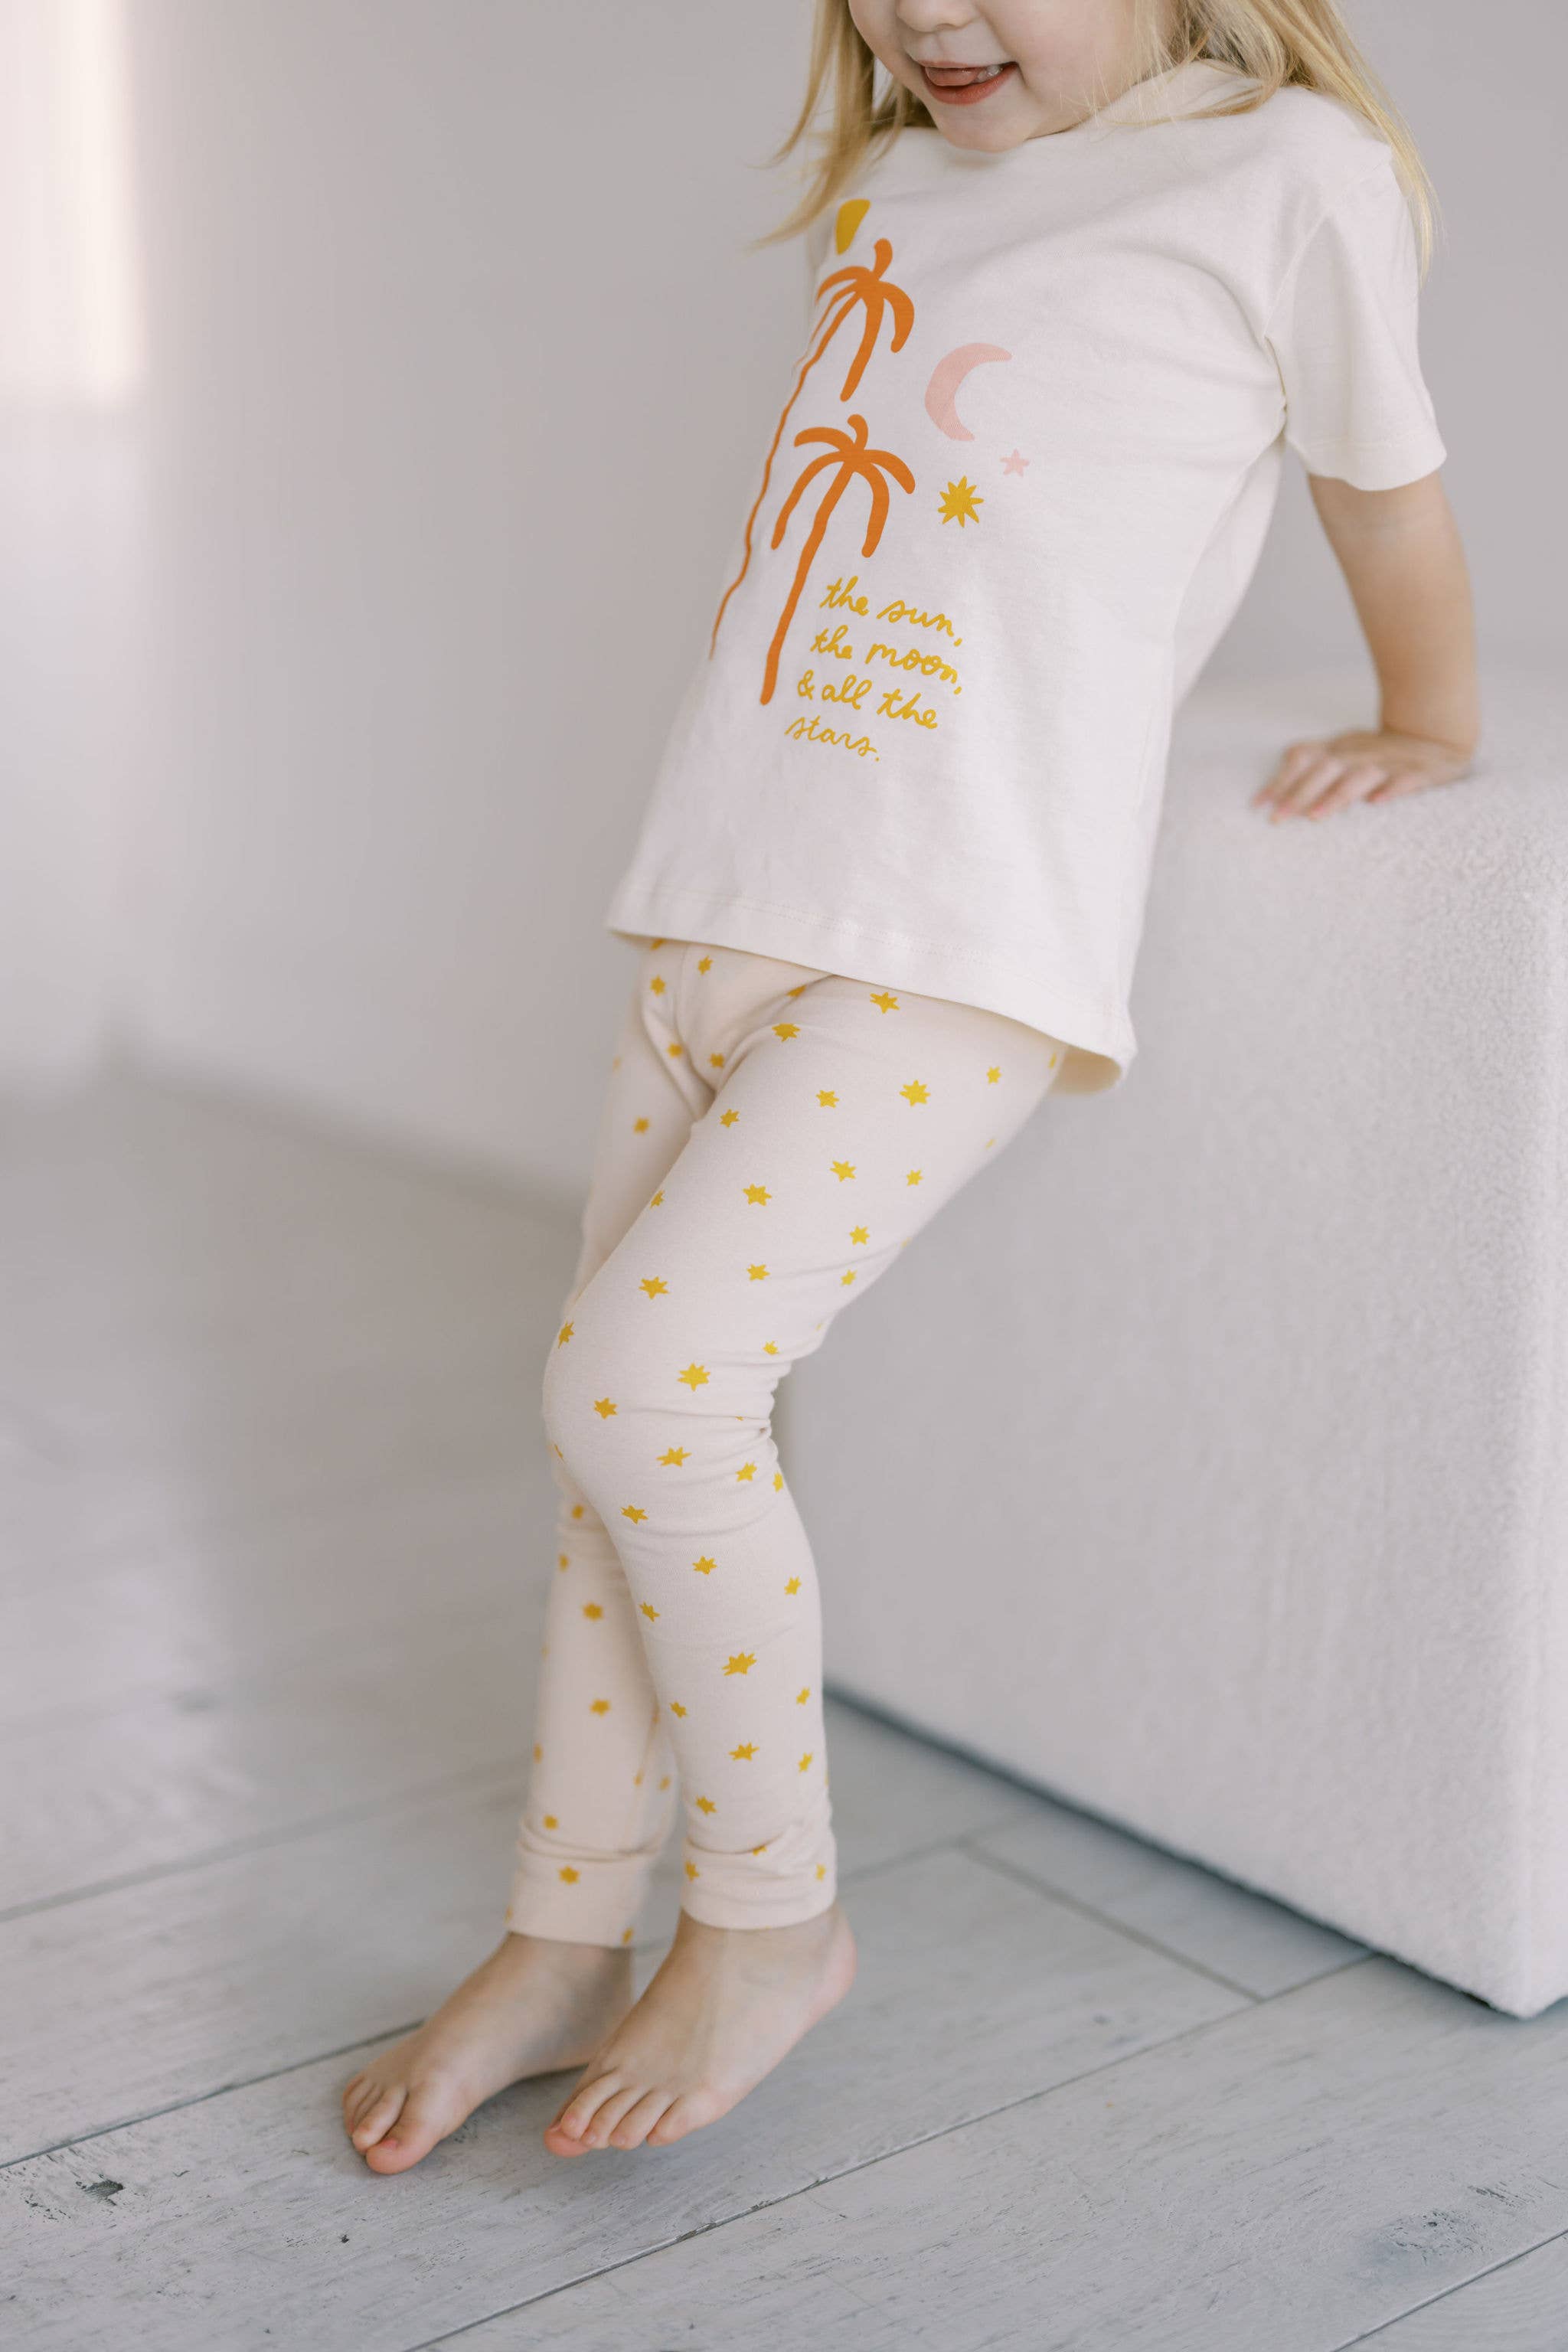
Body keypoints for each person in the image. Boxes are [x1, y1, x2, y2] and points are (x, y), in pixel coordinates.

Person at [342, 0, 1476, 2171]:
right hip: (718, 891)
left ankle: (771, 1918)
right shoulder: (893, 180)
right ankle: (566, 1929)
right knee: (607, 1454)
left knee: (641, 1397)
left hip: (949, 947)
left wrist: (1429, 714)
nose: (920, 14)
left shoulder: (1288, 178)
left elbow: (1381, 481)